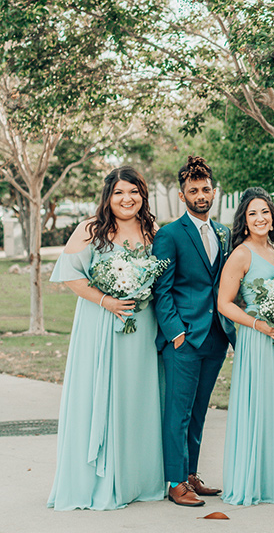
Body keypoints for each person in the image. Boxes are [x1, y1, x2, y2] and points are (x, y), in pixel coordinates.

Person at [48, 167, 165, 510]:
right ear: (108, 197)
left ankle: (137, 478)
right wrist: (107, 300)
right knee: (102, 392)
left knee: (138, 397)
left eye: (133, 192)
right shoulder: (91, 229)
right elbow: (69, 276)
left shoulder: (153, 231)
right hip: (101, 323)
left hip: (142, 326)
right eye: (119, 193)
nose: (126, 199)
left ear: (143, 195)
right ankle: (97, 481)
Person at [154, 156, 236, 507]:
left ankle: (191, 475)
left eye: (205, 189)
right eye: (193, 191)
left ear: (213, 191)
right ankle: (174, 481)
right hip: (184, 340)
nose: (200, 195)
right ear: (181, 194)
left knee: (199, 410)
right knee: (179, 412)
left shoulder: (223, 232)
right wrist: (176, 333)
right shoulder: (169, 234)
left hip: (215, 338)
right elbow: (163, 289)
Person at [217, 188, 274, 505]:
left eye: (265, 211)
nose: (260, 218)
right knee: (259, 406)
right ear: (244, 221)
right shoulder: (242, 254)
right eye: (253, 213)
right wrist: (258, 324)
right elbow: (224, 303)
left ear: (272, 216)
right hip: (257, 337)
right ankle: (253, 480)